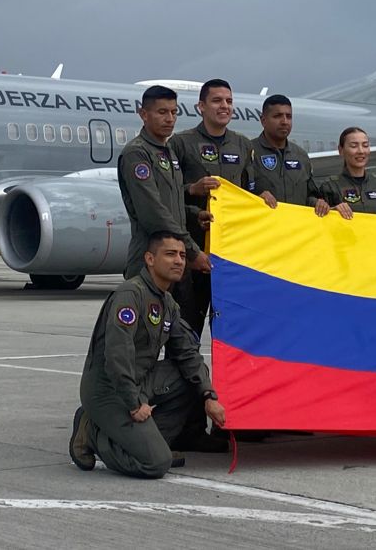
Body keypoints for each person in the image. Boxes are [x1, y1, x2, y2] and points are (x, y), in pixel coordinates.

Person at [70, 231, 227, 478]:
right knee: (156, 464)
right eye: (170, 254)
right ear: (149, 259)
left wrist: (208, 395)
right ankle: (93, 433)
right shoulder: (130, 295)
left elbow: (188, 353)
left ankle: (149, 443)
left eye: (183, 255)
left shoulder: (166, 303)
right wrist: (134, 404)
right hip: (109, 389)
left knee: (190, 380)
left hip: (140, 380)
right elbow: (117, 355)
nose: (179, 261)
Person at [168, 79, 253, 339]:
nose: (224, 106)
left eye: (228, 101)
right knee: (186, 329)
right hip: (192, 252)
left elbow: (250, 195)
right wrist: (192, 189)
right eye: (217, 101)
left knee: (233, 332)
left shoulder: (242, 145)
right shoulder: (180, 144)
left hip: (231, 254)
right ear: (201, 107)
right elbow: (168, 194)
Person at [116, 85, 208, 278]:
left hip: (172, 261)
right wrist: (192, 250)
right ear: (143, 114)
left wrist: (194, 214)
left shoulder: (168, 152)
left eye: (174, 112)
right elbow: (152, 211)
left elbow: (169, 200)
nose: (170, 119)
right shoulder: (137, 153)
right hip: (149, 261)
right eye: (162, 112)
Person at [313, 127, 376, 220]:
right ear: (341, 150)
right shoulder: (330, 186)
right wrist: (332, 211)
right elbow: (317, 219)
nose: (361, 151)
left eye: (365, 145)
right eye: (354, 146)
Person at [250, 94, 315, 207]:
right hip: (264, 223)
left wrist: (319, 203)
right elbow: (236, 192)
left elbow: (310, 195)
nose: (284, 121)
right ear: (263, 120)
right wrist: (255, 197)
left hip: (295, 223)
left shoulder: (301, 156)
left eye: (288, 116)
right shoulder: (248, 152)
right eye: (277, 116)